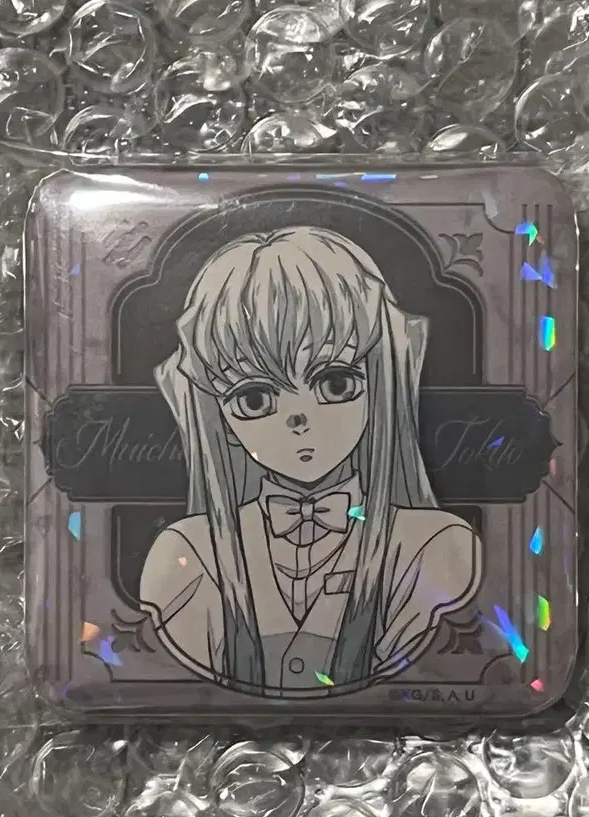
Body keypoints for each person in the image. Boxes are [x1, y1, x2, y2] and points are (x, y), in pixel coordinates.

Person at [139, 225, 482, 697]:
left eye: (335, 384)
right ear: (217, 412)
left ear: (380, 381)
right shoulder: (190, 553)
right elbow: (178, 695)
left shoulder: (434, 545)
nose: (299, 419)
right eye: (255, 398)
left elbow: (421, 693)